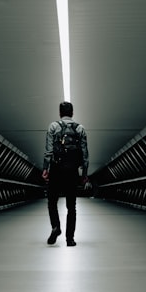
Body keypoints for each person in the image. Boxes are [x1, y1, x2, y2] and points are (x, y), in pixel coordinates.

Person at [42, 101, 89, 246]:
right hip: (72, 171)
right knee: (71, 206)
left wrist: (46, 169)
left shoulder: (53, 126)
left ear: (60, 113)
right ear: (72, 113)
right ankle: (70, 239)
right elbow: (85, 155)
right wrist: (84, 174)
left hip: (56, 170)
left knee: (52, 201)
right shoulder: (80, 128)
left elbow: (48, 151)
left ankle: (56, 227)